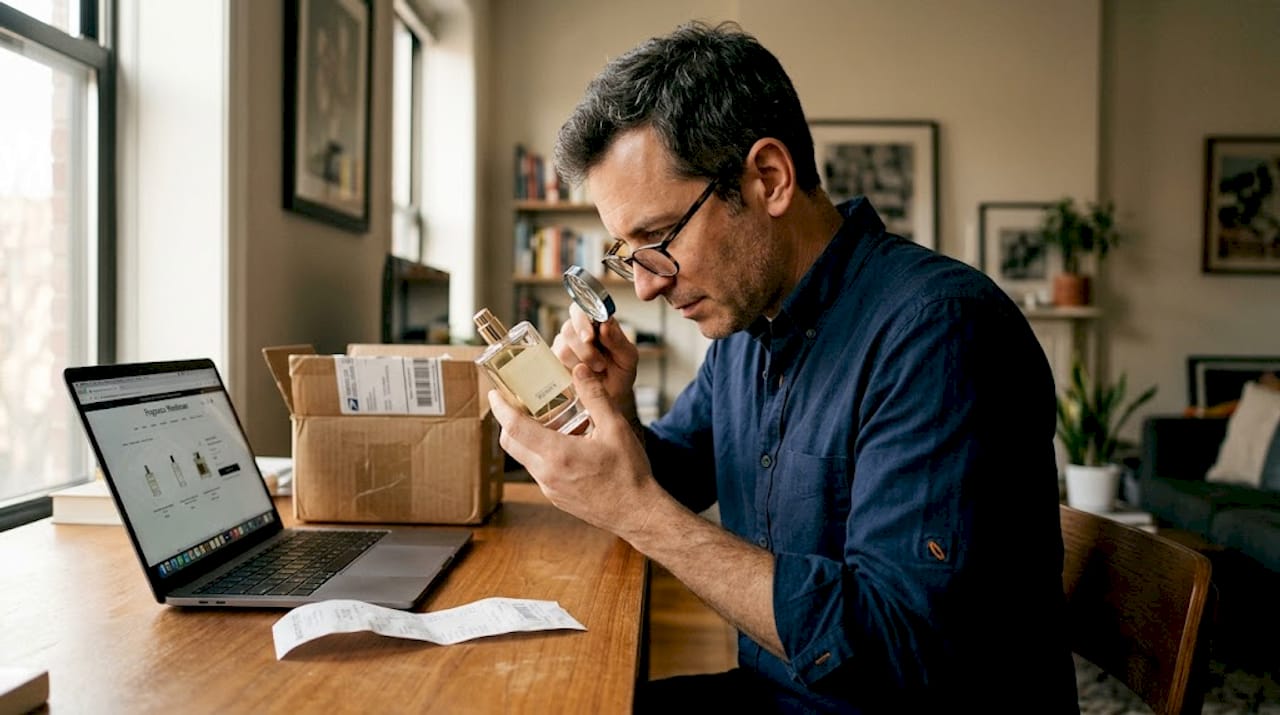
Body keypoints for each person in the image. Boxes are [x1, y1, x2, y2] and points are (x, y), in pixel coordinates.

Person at [486, 21, 1078, 713]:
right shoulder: (746, 322)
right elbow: (676, 468)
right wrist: (612, 413)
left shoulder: (941, 333)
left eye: (656, 238)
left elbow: (897, 651)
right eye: (625, 253)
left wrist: (635, 511)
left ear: (768, 178)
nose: (643, 285)